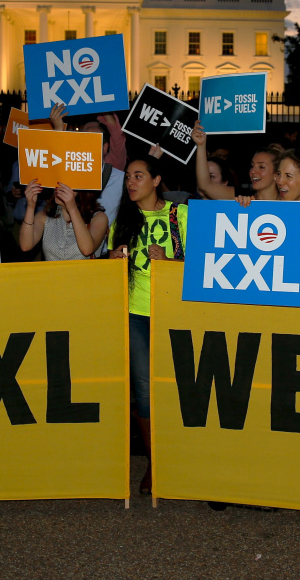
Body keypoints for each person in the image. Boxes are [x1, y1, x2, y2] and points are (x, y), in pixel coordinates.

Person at [108, 157, 187, 495]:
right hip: (136, 313)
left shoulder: (179, 215)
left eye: (138, 176)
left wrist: (170, 262)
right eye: (128, 177)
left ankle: (180, 458)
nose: (131, 182)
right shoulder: (123, 219)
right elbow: (111, 270)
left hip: (176, 313)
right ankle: (156, 463)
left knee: (179, 387)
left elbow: (205, 262)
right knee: (143, 392)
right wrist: (111, 262)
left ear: (156, 180)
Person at [19, 180, 109, 260]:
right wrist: (31, 206)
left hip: (82, 277)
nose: (60, 188)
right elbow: (25, 245)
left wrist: (72, 208)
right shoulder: (44, 216)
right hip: (52, 277)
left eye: (67, 185)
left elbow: (87, 249)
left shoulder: (98, 218)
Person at [192, 120, 279, 201]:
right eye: (252, 166)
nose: (253, 171)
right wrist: (201, 145)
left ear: (276, 174)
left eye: (261, 167)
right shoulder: (242, 196)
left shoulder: (289, 201)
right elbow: (205, 186)